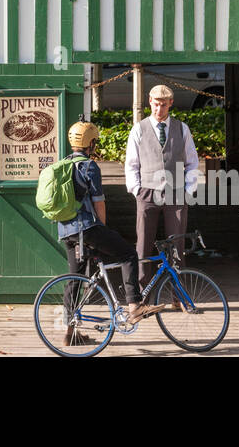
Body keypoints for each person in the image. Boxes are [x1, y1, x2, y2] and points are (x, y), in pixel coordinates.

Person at [58, 120, 160, 338]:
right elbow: (99, 203)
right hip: (87, 229)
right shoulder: (89, 166)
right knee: (127, 253)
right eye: (94, 142)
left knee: (75, 278)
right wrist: (103, 230)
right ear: (90, 143)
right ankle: (134, 306)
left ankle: (69, 332)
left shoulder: (64, 163)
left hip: (67, 230)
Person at [126, 84, 200, 286]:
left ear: (171, 104)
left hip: (176, 194)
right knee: (143, 245)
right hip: (147, 193)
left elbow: (192, 162)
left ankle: (179, 296)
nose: (160, 110)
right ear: (150, 102)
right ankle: (142, 296)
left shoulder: (182, 128)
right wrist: (137, 190)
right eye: (156, 105)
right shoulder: (138, 129)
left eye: (164, 105)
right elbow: (131, 164)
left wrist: (187, 190)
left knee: (177, 244)